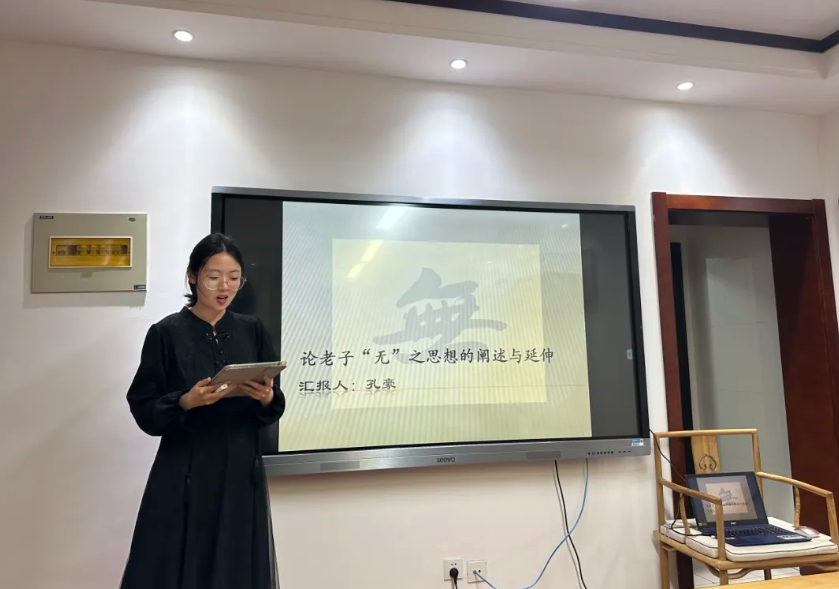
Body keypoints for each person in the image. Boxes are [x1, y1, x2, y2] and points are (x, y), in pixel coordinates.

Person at [120, 233, 285, 589]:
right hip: (186, 468)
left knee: (237, 562)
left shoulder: (251, 329)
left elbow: (274, 404)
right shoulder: (166, 333)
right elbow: (143, 406)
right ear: (193, 276)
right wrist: (185, 401)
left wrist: (266, 396)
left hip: (240, 467)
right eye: (213, 276)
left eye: (234, 277)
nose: (224, 286)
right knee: (177, 562)